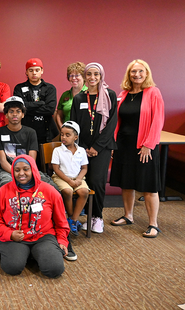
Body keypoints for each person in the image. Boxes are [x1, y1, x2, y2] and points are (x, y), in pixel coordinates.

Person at [0, 155, 69, 277]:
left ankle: (34, 253)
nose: (21, 173)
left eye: (26, 169)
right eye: (17, 170)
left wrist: (62, 239)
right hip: (15, 237)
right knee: (12, 267)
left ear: (33, 170)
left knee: (54, 269)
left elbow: (61, 221)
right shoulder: (3, 191)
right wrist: (9, 234)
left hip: (43, 236)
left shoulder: (50, 191)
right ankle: (27, 254)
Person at [110, 60, 165, 238]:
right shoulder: (124, 94)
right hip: (124, 145)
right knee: (126, 183)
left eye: (141, 71)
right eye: (133, 72)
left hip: (144, 146)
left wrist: (149, 145)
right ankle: (128, 216)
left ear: (147, 73)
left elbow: (158, 121)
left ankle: (153, 224)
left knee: (149, 186)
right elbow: (117, 121)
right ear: (129, 74)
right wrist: (114, 143)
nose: (137, 75)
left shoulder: (153, 93)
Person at [70, 62, 118, 234]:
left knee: (97, 182)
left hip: (102, 148)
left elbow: (112, 124)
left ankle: (97, 217)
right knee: (86, 181)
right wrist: (83, 147)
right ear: (84, 76)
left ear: (101, 76)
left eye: (96, 74)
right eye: (89, 74)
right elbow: (74, 126)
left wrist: (97, 146)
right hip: (82, 148)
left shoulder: (109, 95)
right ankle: (88, 216)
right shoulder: (79, 98)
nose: (92, 77)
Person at [51, 121, 89, 236]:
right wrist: (69, 181)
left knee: (84, 192)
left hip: (77, 178)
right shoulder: (57, 150)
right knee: (67, 191)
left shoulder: (81, 150)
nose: (64, 137)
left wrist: (78, 180)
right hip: (61, 177)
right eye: (62, 134)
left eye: (68, 135)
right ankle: (70, 216)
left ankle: (73, 220)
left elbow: (84, 168)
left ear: (75, 137)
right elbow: (56, 169)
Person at [0, 97, 38, 189]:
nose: (15, 114)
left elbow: (31, 160)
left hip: (28, 170)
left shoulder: (31, 132)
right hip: (5, 171)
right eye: (11, 111)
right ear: (6, 115)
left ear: (23, 114)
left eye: (18, 111)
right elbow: (3, 161)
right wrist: (17, 174)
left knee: (49, 186)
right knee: (7, 186)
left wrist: (24, 173)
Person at [13, 58, 58, 145]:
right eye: (31, 70)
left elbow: (50, 110)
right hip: (25, 131)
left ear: (42, 71)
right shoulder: (19, 88)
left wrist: (27, 108)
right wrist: (41, 103)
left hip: (46, 132)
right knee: (27, 158)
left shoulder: (50, 88)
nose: (34, 73)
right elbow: (18, 107)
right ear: (26, 72)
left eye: (37, 70)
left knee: (45, 158)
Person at [55, 62, 87, 129]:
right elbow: (59, 114)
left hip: (85, 133)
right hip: (67, 133)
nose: (73, 78)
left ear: (83, 77)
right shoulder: (65, 95)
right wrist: (62, 129)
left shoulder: (89, 94)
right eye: (71, 76)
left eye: (77, 75)